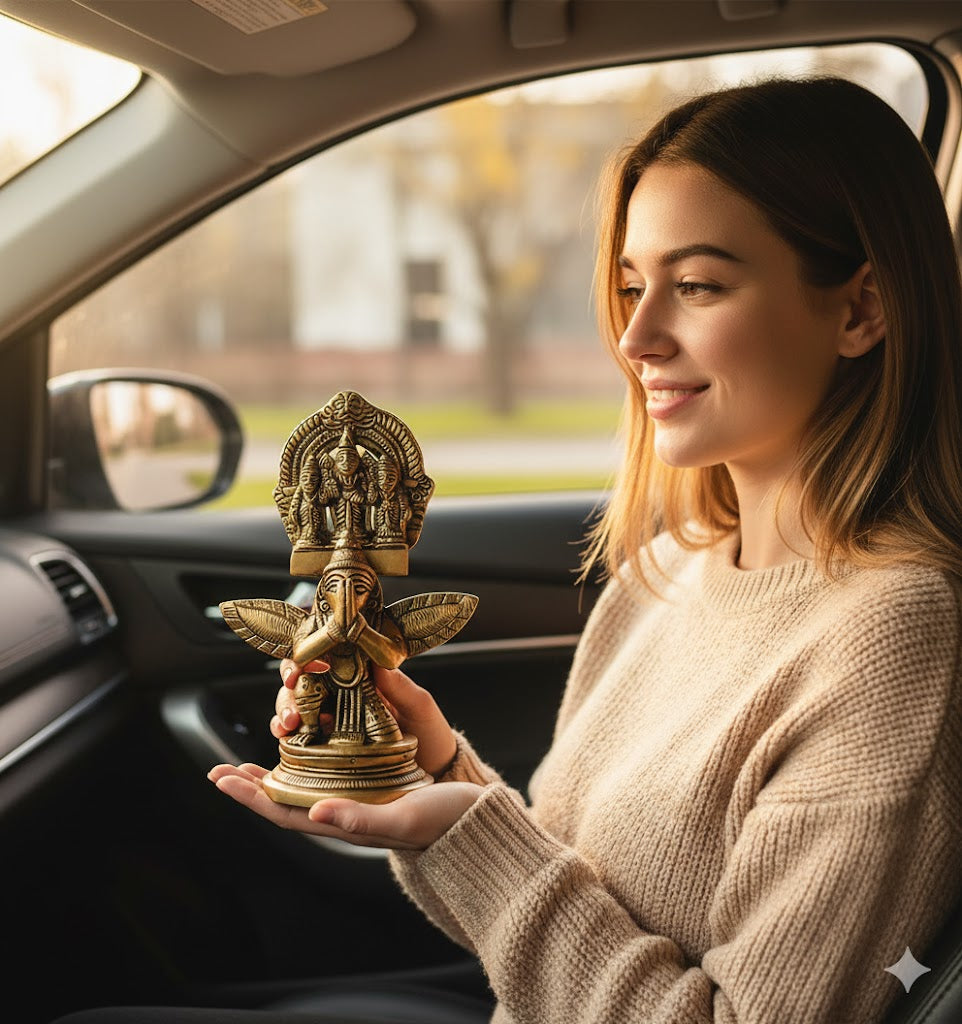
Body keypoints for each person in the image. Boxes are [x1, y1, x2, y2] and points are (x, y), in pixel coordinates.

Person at [68, 76, 962, 1024]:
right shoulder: (670, 571)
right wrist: (431, 772)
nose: (637, 337)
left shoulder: (892, 640)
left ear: (860, 311)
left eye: (698, 285)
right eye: (631, 286)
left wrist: (469, 835)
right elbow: (579, 910)